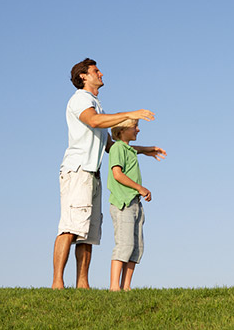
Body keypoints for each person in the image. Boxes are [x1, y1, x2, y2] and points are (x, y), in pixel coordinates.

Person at [53, 58, 167, 289]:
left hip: (92, 174)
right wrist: (131, 113)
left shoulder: (96, 104)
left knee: (88, 232)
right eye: (96, 71)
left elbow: (112, 147)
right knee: (71, 227)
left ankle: (82, 284)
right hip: (77, 171)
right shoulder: (80, 100)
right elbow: (94, 121)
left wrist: (144, 150)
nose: (101, 74)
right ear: (83, 76)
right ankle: (57, 283)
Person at [107, 119, 153, 291]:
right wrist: (139, 187)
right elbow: (117, 174)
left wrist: (150, 149)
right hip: (123, 203)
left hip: (135, 203)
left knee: (136, 247)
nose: (138, 130)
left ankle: (126, 287)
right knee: (124, 245)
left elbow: (135, 149)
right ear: (122, 130)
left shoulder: (128, 149)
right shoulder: (117, 148)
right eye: (135, 127)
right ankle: (114, 287)